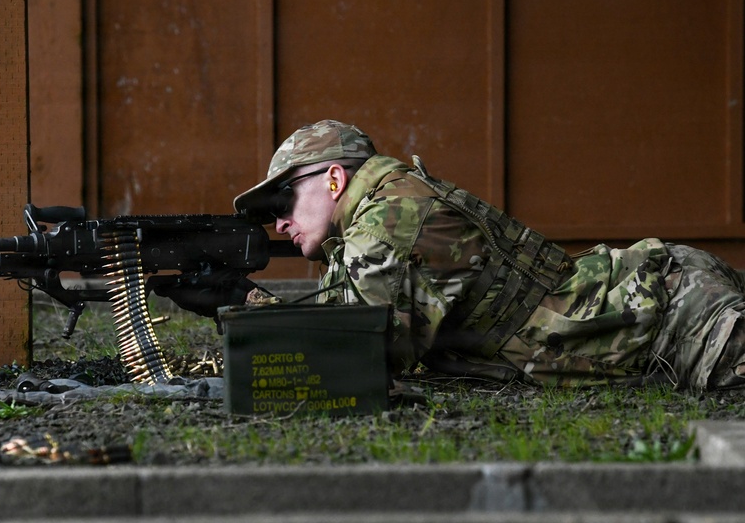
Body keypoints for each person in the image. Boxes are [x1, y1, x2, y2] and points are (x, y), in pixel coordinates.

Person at [233, 119, 745, 392]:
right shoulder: (385, 206)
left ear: (334, 178)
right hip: (650, 299)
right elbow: (351, 312)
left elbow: (361, 357)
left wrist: (249, 305)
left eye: (283, 201)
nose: (277, 222)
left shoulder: (390, 223)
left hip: (674, 318)